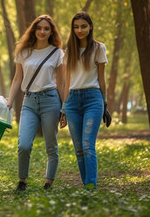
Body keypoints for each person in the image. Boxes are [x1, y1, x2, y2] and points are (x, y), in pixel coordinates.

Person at [7, 14, 64, 192]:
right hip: (29, 101)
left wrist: (64, 108)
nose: (42, 31)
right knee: (23, 144)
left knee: (51, 145)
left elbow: (61, 83)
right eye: (39, 28)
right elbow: (17, 79)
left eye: (46, 29)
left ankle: (48, 182)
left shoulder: (57, 53)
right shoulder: (24, 52)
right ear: (34, 30)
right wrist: (9, 102)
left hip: (50, 100)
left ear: (51, 32)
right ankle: (22, 181)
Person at [61, 11, 108, 190]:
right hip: (72, 101)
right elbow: (66, 82)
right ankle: (85, 185)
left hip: (93, 99)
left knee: (88, 145)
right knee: (79, 149)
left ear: (90, 27)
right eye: (76, 27)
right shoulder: (69, 51)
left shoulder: (98, 48)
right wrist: (64, 108)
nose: (79, 30)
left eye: (83, 26)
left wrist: (105, 103)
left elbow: (102, 79)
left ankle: (91, 186)